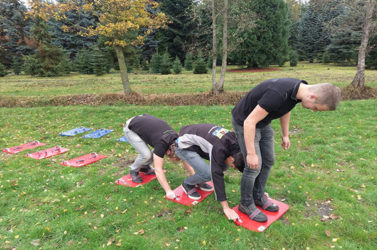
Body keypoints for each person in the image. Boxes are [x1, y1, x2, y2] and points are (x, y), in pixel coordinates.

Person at [232, 78, 341, 222]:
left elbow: (285, 110)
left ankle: (258, 196)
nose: (313, 111)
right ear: (313, 97)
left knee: (269, 160)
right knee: (253, 166)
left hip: (262, 122)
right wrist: (251, 154)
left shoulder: (298, 92)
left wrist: (285, 135)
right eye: (316, 108)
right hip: (245, 122)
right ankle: (245, 204)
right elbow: (249, 122)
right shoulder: (278, 93)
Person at [175, 123, 245, 221]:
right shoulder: (219, 148)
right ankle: (187, 183)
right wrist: (226, 207)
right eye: (233, 166)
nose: (232, 168)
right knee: (209, 174)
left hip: (197, 142)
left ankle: (199, 180)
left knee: (223, 165)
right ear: (232, 159)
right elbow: (216, 175)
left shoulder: (237, 145)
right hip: (183, 147)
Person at [124, 114, 192, 199]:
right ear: (168, 152)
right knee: (146, 155)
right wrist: (168, 191)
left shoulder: (177, 142)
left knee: (155, 154)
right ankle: (133, 170)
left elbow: (185, 159)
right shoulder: (162, 144)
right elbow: (158, 169)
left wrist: (194, 175)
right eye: (172, 159)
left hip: (143, 121)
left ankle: (144, 167)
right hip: (131, 127)